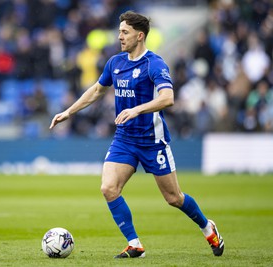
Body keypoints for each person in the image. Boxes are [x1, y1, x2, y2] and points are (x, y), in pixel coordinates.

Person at [49, 11, 224, 258]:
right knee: (109, 188)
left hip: (152, 141)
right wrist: (69, 111)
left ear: (139, 36)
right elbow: (97, 90)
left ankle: (208, 227)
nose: (120, 36)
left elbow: (168, 98)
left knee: (174, 198)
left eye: (125, 32)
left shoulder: (155, 64)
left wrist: (136, 109)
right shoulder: (115, 63)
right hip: (125, 139)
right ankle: (135, 244)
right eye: (120, 31)